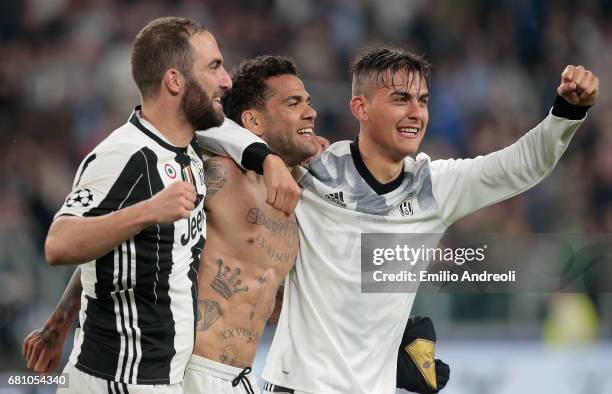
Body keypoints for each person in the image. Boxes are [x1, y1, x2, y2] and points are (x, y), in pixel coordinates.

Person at [199, 47, 599, 393]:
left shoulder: (436, 188)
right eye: (401, 99)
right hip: (298, 385)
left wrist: (566, 111)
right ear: (361, 107)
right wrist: (265, 157)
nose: (415, 113)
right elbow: (209, 130)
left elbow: (521, 165)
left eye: (423, 101)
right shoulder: (312, 171)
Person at [31, 17, 299, 393]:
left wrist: (267, 158)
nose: (226, 80)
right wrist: (149, 211)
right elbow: (59, 244)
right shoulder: (125, 154)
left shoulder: (187, 153)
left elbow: (224, 132)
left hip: (163, 379)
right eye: (214, 67)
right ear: (175, 81)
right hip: (118, 378)